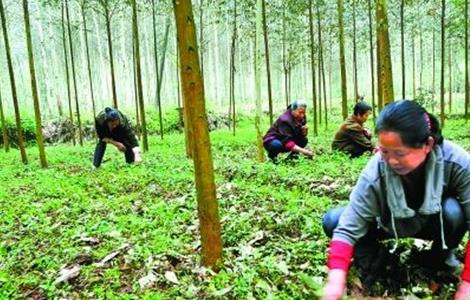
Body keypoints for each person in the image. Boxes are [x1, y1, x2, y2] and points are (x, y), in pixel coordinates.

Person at [322, 100, 470, 300]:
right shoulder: (375, 171)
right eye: (384, 151)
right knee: (334, 220)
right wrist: (336, 277)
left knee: (453, 211)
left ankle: (440, 258)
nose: (391, 161)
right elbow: (349, 226)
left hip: (434, 222)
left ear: (428, 144)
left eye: (400, 153)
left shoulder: (457, 163)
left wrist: (468, 283)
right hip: (386, 222)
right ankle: (377, 258)